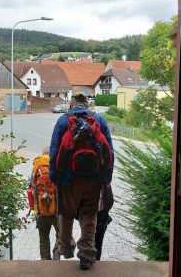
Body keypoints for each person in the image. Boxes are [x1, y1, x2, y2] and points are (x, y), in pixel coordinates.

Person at [49, 91, 114, 270]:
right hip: (93, 178)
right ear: (87, 105)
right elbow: (110, 151)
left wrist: (54, 176)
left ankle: (67, 248)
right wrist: (106, 178)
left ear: (71, 104)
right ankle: (86, 255)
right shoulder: (98, 120)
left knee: (66, 213)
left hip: (68, 178)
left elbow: (55, 149)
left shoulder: (63, 120)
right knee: (89, 215)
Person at [27, 147, 60, 260]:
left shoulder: (37, 166)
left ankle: (45, 261)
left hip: (41, 210)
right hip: (56, 210)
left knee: (44, 238)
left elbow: (30, 188)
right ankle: (56, 256)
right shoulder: (56, 164)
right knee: (60, 235)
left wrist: (33, 207)